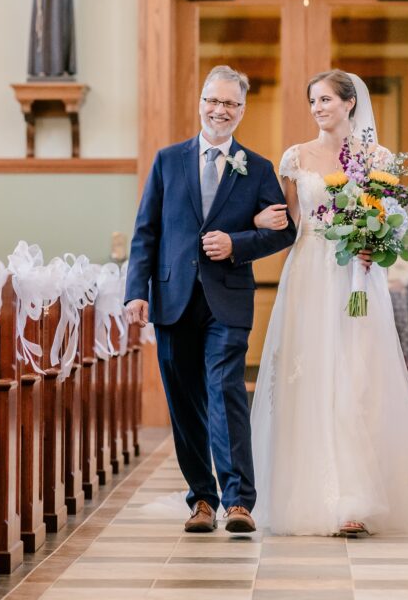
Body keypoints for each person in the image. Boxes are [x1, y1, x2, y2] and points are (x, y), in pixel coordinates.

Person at [250, 69, 408, 535]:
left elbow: (395, 223)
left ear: (349, 103)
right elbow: (286, 224)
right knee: (311, 375)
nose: (318, 108)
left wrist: (375, 242)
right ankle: (308, 492)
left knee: (358, 377)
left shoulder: (377, 158)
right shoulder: (295, 157)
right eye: (312, 100)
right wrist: (261, 217)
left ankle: (357, 498)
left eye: (326, 100)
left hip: (356, 278)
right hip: (308, 274)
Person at [124, 65, 296, 535]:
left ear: (242, 111)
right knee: (184, 402)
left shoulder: (257, 168)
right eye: (213, 101)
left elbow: (285, 231)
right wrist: (135, 292)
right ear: (200, 102)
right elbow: (146, 232)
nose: (220, 111)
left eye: (231, 104)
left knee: (225, 392)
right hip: (172, 297)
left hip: (228, 300)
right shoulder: (167, 160)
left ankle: (239, 501)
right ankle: (202, 498)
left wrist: (238, 243)